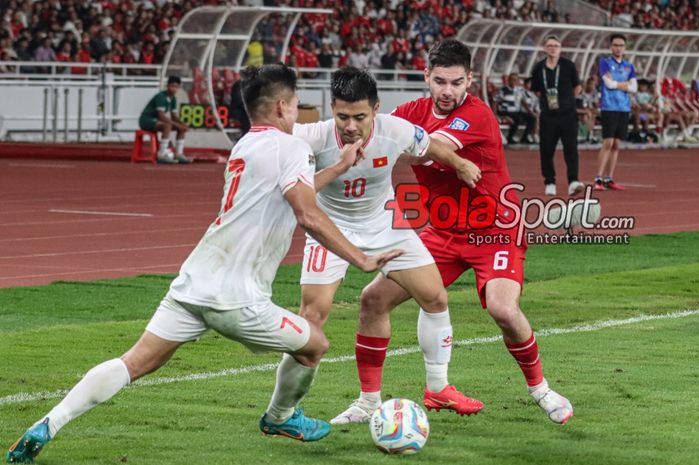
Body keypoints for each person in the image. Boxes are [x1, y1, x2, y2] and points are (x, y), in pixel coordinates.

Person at [5, 64, 402, 464]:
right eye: (298, 104)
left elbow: (291, 191)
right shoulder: (292, 148)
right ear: (282, 106)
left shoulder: (246, 145)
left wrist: (338, 167)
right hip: (238, 298)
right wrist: (360, 258)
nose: (300, 111)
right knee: (314, 345)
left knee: (135, 362)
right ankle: (280, 417)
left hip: (194, 282)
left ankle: (49, 424)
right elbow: (307, 214)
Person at [334, 39, 574, 425]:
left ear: (470, 81)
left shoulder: (476, 115)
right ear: (426, 77)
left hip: (494, 228)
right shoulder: (410, 112)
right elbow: (375, 131)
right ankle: (368, 402)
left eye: (456, 83)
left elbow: (429, 147)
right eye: (440, 81)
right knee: (372, 300)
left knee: (502, 309)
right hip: (442, 232)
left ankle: (541, 389)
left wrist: (380, 141)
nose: (448, 91)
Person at [292, 67, 484, 425]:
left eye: (360, 117)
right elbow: (298, 191)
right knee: (312, 317)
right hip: (330, 229)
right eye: (343, 116)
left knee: (435, 296)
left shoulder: (395, 130)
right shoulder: (310, 137)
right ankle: (340, 406)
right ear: (331, 108)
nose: (351, 126)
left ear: (376, 109)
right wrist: (335, 166)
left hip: (384, 222)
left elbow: (430, 146)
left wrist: (459, 163)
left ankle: (438, 388)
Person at [530, 35, 584, 197]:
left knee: (571, 149)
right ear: (545, 48)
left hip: (568, 115)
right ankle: (550, 181)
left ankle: (573, 181)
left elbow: (578, 87)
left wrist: (567, 101)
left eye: (556, 45)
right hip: (548, 116)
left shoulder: (568, 65)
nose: (552, 48)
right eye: (549, 45)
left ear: (560, 48)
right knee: (546, 150)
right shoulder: (539, 68)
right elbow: (537, 90)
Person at [595, 34, 637, 191]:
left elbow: (634, 88)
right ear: (611, 47)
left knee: (617, 144)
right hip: (609, 106)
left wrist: (618, 84)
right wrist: (624, 84)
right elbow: (608, 84)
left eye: (621, 45)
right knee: (608, 142)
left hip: (624, 107)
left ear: (625, 47)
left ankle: (609, 178)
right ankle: (598, 178)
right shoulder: (604, 63)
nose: (618, 48)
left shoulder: (629, 66)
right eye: (615, 45)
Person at [138, 76, 190, 164]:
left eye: (176, 87)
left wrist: (182, 124)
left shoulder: (173, 99)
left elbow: (174, 116)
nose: (174, 89)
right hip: (147, 120)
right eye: (172, 86)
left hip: (156, 121)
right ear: (167, 86)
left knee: (181, 128)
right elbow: (162, 116)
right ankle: (162, 153)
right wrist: (178, 125)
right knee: (167, 125)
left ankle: (179, 153)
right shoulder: (161, 97)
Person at [496, 72, 535, 145]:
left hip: (516, 111)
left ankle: (525, 138)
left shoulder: (520, 90)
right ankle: (510, 137)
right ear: (509, 80)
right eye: (512, 79)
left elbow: (523, 101)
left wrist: (530, 112)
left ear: (518, 81)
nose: (513, 81)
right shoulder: (503, 90)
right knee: (517, 119)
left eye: (515, 80)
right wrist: (495, 114)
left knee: (531, 118)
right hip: (506, 111)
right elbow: (496, 101)